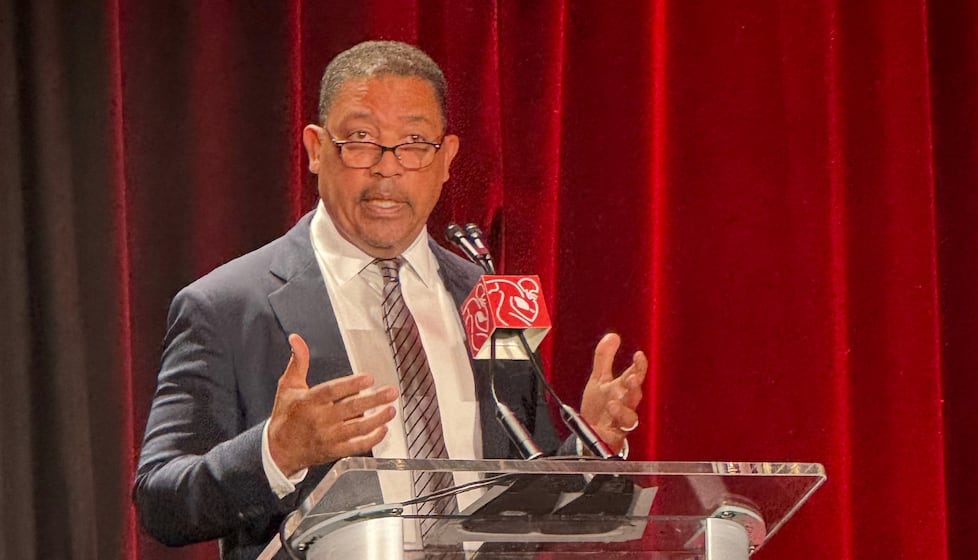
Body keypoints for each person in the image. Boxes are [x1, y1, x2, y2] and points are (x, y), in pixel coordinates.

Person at [133, 40, 646, 560]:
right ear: (315, 149)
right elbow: (162, 500)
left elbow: (524, 486)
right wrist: (276, 451)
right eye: (360, 140)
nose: (388, 167)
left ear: (446, 159)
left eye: (414, 142)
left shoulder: (484, 295)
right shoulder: (227, 306)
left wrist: (589, 446)